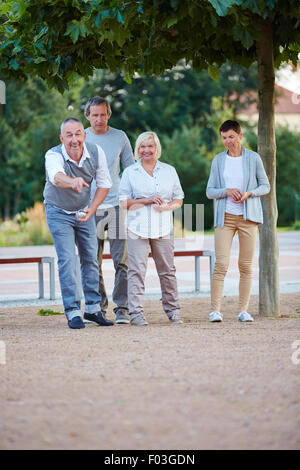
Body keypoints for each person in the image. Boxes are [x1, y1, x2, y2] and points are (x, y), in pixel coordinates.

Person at [44, 118, 114, 329]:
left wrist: (91, 210)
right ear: (62, 138)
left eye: (77, 134)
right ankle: (73, 311)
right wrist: (72, 181)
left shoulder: (96, 152)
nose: (74, 140)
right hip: (57, 211)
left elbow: (104, 184)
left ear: (84, 135)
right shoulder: (53, 154)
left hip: (84, 211)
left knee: (91, 259)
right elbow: (56, 177)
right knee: (67, 259)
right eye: (69, 135)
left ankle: (93, 309)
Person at [206, 120, 270, 323]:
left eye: (231, 137)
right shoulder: (218, 160)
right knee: (221, 264)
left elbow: (265, 186)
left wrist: (250, 193)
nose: (227, 141)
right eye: (224, 137)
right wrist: (226, 191)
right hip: (225, 218)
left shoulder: (253, 158)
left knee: (245, 265)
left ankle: (243, 310)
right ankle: (215, 311)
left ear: (240, 135)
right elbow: (209, 192)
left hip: (248, 218)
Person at [119, 131, 184, 326]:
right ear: (137, 149)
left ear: (157, 149)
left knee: (167, 271)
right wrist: (146, 200)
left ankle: (173, 311)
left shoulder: (169, 170)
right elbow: (122, 202)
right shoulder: (130, 172)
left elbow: (179, 199)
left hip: (163, 228)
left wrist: (167, 207)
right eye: (142, 146)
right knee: (136, 271)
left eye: (150, 146)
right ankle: (136, 313)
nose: (146, 150)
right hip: (136, 228)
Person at [84, 96, 135, 324]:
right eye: (95, 115)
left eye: (103, 114)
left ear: (109, 115)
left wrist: (121, 189)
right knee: (92, 261)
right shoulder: (81, 138)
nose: (99, 119)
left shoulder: (120, 137)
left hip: (115, 205)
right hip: (90, 207)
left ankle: (122, 307)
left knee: (121, 261)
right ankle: (98, 308)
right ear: (88, 116)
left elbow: (131, 169)